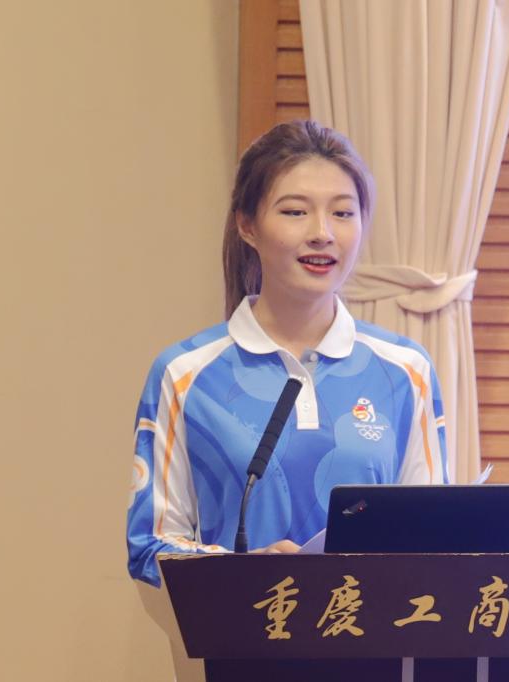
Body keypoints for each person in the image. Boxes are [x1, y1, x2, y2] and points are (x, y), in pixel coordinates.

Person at [127, 120, 448, 587]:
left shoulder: (406, 370)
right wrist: (245, 571)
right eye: (296, 212)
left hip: (370, 630)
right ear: (247, 225)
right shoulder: (183, 374)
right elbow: (150, 546)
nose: (322, 233)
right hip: (239, 631)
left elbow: (437, 543)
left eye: (343, 213)